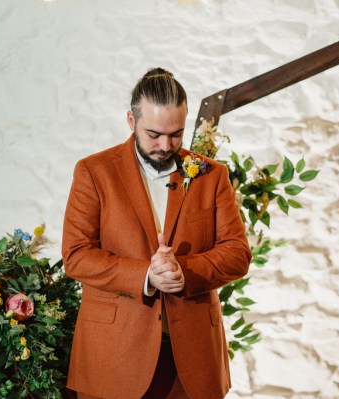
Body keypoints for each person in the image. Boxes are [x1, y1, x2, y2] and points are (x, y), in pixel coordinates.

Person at [62, 67, 252, 399]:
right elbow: (77, 256)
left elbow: (237, 253)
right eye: (154, 134)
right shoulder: (94, 172)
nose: (166, 145)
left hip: (192, 361)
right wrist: (146, 275)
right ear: (131, 121)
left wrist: (185, 273)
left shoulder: (212, 175)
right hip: (114, 355)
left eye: (176, 134)